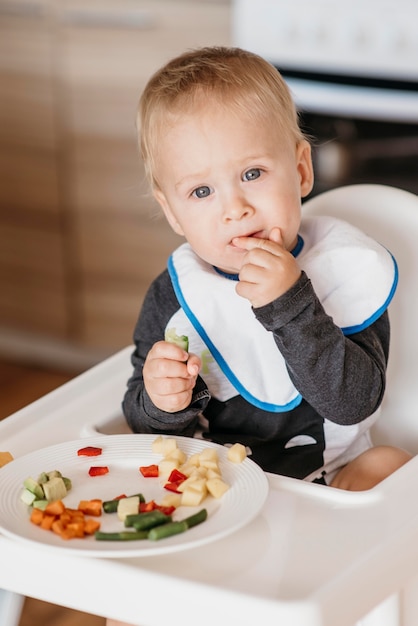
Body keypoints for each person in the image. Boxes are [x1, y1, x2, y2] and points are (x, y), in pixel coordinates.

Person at [106, 42, 412, 626]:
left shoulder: (345, 270)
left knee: (391, 468)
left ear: (300, 170)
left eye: (252, 173)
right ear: (173, 212)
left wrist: (290, 305)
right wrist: (160, 400)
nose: (236, 209)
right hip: (211, 487)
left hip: (325, 484)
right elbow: (141, 425)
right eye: (202, 191)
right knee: (126, 588)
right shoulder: (177, 296)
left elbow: (353, 402)